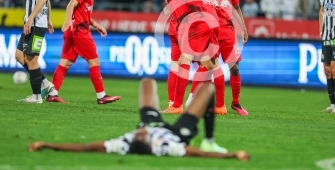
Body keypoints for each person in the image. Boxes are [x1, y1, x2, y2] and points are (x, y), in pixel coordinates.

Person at [28, 78, 250, 161]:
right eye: (142, 135)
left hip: (155, 123)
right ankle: (209, 138)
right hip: (176, 133)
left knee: (147, 83)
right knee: (209, 88)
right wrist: (232, 155)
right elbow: (200, 155)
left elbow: (85, 147)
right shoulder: (167, 147)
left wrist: (47, 144)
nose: (138, 131)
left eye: (138, 133)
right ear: (149, 143)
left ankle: (172, 106)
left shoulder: (123, 145)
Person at [160, 0, 223, 115]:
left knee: (182, 62)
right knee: (208, 63)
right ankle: (216, 105)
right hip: (211, 19)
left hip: (194, 22)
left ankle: (178, 104)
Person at [45, 0, 121, 104]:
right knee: (94, 61)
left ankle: (53, 93)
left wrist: (96, 25)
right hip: (79, 31)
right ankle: (101, 96)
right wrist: (68, 21)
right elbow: (70, 5)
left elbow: (83, 14)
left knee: (65, 63)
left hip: (73, 31)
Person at [188, 0, 249, 116]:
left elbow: (236, 8)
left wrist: (243, 27)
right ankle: (197, 101)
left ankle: (236, 103)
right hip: (210, 34)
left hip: (228, 33)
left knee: (234, 68)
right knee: (206, 68)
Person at [16, 0, 54, 104]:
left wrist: (31, 18)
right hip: (36, 21)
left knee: (31, 59)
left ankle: (37, 96)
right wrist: (50, 18)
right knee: (19, 56)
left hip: (35, 23)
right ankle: (45, 84)